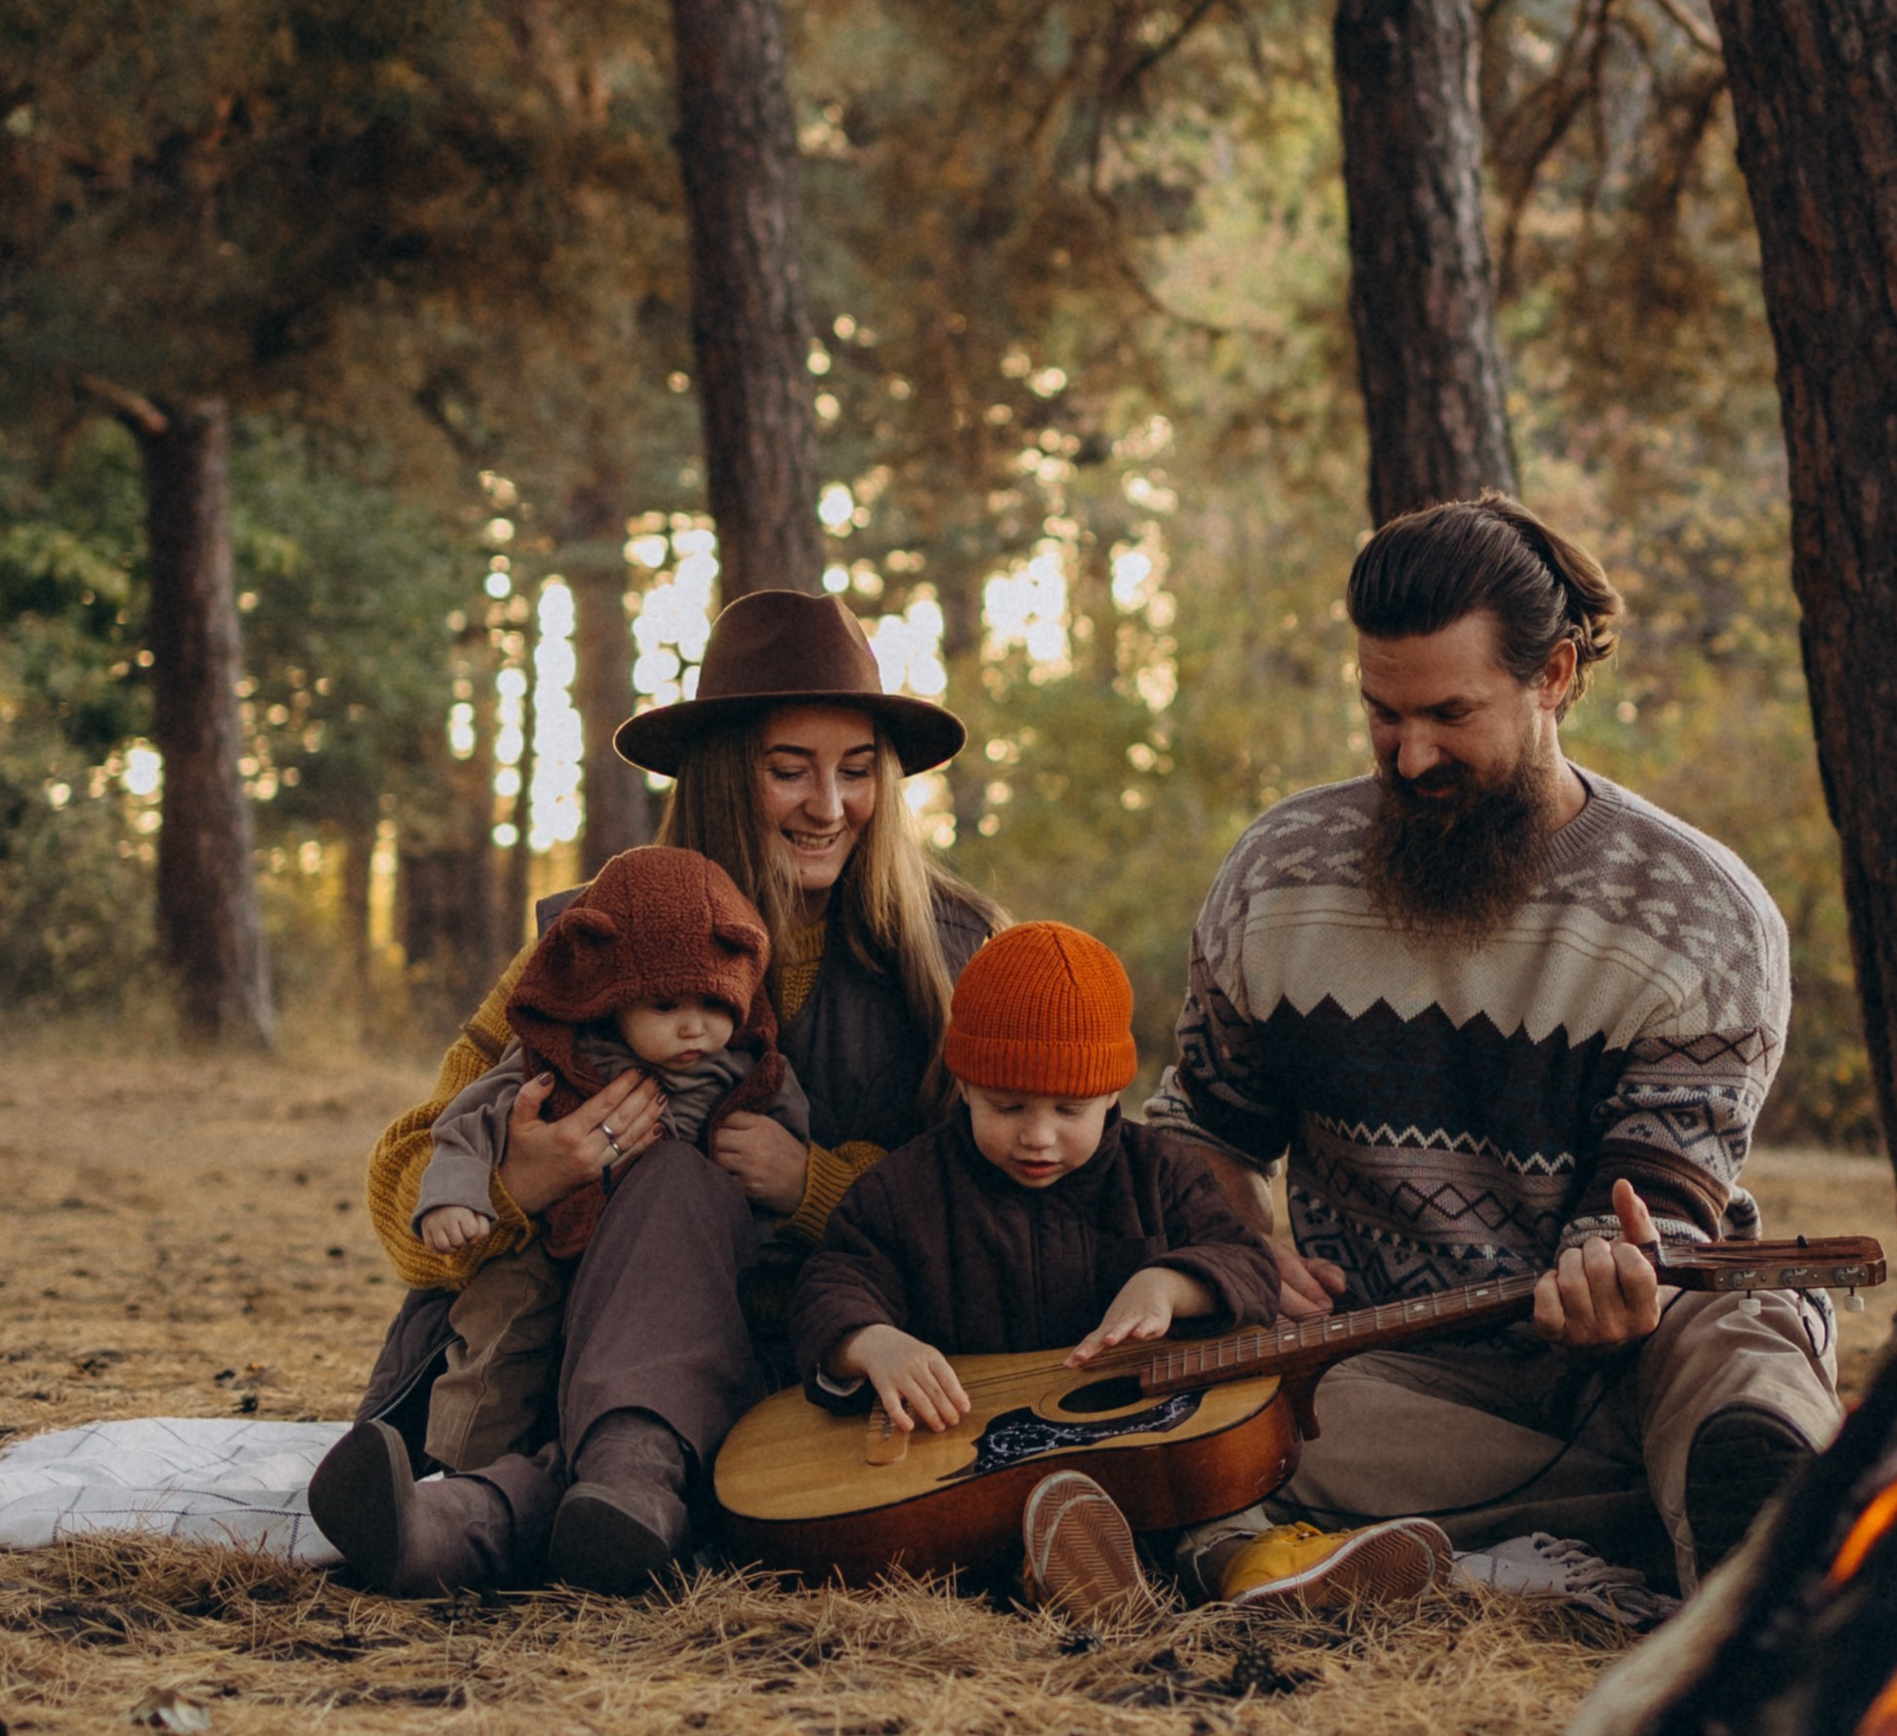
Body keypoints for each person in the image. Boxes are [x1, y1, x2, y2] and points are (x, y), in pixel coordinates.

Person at [1147, 494, 1843, 1603]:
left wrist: (1622, 1267)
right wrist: (1235, 1246)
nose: (1409, 753)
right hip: (1384, 1371)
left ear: (1555, 675)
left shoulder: (1703, 913)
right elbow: (1204, 1129)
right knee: (1284, 1429)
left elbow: (1660, 1193)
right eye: (1382, 712)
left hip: (1642, 1341)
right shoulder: (1276, 877)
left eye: (1449, 714)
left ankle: (1689, 1506)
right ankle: (1691, 1533)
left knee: (1736, 1362)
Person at [327, 590, 991, 1595]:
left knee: (683, 1189)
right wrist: (521, 1182)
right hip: (561, 1349)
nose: (829, 805)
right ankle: (606, 1503)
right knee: (662, 1225)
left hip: (815, 1366)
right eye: (789, 771)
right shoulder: (592, 940)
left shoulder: (948, 953)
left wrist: (809, 1184)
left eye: (857, 772)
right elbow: (406, 1194)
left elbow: (1001, 1199)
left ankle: (460, 1525)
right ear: (726, 775)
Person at [785, 921, 1449, 1617]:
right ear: (963, 1083)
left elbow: (1247, 1262)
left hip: (1151, 1461)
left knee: (1212, 1510)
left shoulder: (1160, 1174)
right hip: (980, 1481)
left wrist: (1169, 1283)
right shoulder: (907, 1192)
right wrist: (873, 1343)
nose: (1037, 1136)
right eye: (1007, 1106)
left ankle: (1263, 1575)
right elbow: (832, 1279)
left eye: (1069, 1109)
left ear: (1111, 1093)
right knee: (1019, 1527)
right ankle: (1066, 1574)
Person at [379, 845, 810, 1482]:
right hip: (546, 1244)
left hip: (668, 1278)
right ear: (612, 1000)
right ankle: (460, 1473)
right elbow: (461, 1125)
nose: (694, 1029)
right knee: (500, 1336)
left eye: (714, 1006)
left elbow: (801, 1160)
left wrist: (800, 1184)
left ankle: (619, 1476)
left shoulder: (749, 1073)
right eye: (665, 1007)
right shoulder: (561, 1055)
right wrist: (471, 1195)